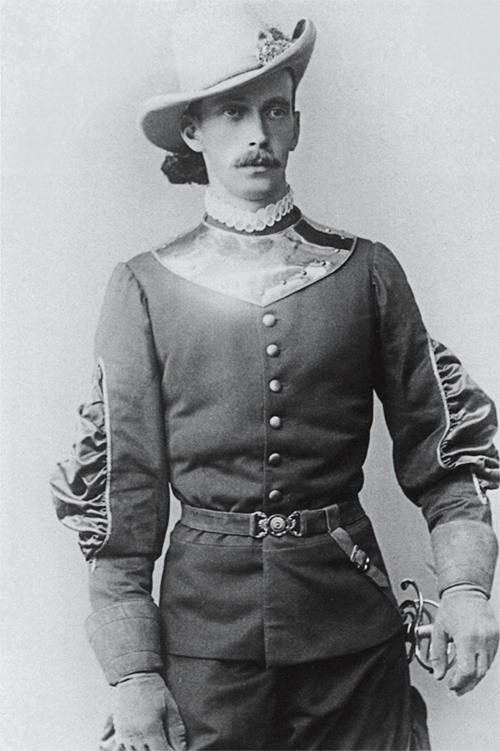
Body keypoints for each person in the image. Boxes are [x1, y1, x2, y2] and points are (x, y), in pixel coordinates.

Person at [50, 4, 499, 750]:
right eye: (232, 112)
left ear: (295, 125)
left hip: (353, 641)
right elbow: (122, 509)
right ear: (193, 131)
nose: (258, 133)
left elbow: (446, 459)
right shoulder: (143, 288)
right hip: (204, 649)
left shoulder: (367, 271)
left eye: (276, 110)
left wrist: (466, 588)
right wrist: (132, 673)